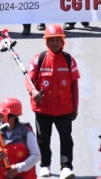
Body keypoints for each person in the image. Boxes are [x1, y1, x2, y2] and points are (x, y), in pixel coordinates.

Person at [27, 25, 79, 178]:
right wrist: (33, 91)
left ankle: (66, 167)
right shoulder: (39, 59)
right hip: (43, 109)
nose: (55, 43)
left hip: (64, 110)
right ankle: (45, 165)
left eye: (57, 40)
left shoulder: (70, 60)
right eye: (51, 40)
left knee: (66, 139)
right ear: (46, 42)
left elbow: (74, 86)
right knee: (43, 139)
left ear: (63, 42)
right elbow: (28, 80)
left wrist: (75, 107)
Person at [0, 98, 40, 179]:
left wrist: (17, 168)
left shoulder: (26, 133)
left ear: (11, 119)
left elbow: (36, 155)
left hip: (24, 176)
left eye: (1, 116)